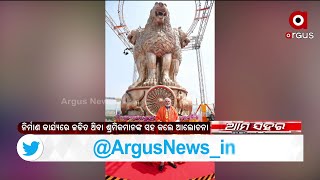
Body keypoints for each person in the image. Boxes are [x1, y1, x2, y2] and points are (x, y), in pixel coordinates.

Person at [155, 97, 178, 171]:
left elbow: (177, 118)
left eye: (168, 101)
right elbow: (157, 118)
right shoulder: (161, 109)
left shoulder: (173, 109)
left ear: (170, 102)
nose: (167, 102)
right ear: (164, 102)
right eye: (166, 101)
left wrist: (176, 122)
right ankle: (162, 162)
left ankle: (170, 160)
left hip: (171, 131)